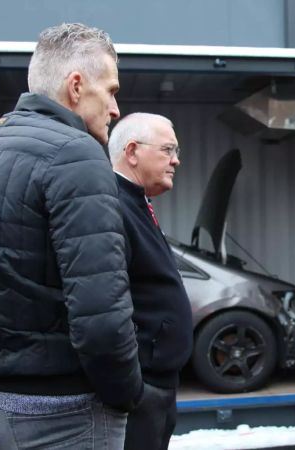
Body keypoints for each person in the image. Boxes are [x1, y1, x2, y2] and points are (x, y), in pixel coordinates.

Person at [0, 23, 143, 449]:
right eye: (112, 90)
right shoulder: (76, 153)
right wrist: (128, 396)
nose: (116, 109)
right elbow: (101, 316)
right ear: (77, 86)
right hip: (61, 421)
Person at [108, 113, 193, 450]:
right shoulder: (113, 206)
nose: (176, 160)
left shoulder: (137, 201)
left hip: (156, 383)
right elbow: (108, 305)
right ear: (132, 151)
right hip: (141, 388)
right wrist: (133, 384)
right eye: (168, 149)